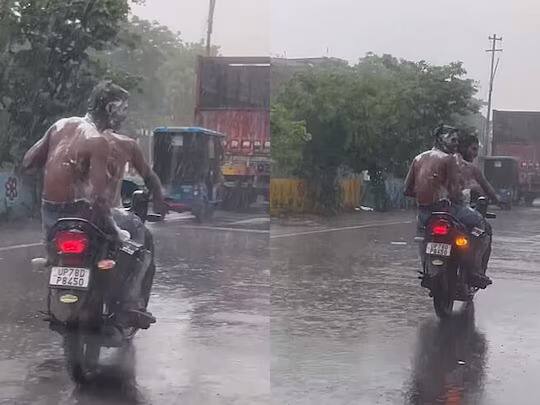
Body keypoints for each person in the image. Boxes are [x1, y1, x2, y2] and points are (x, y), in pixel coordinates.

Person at [22, 80, 168, 328]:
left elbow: (28, 162)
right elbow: (99, 199)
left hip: (51, 219)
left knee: (61, 252)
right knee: (137, 243)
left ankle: (54, 263)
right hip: (84, 214)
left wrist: (58, 171)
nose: (124, 115)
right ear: (111, 108)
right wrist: (116, 231)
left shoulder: (60, 125)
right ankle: (130, 304)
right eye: (123, 108)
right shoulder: (98, 141)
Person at [404, 124, 491, 289]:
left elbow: (407, 190)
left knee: (422, 237)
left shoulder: (417, 158)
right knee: (481, 226)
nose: (455, 145)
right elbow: (454, 192)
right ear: (440, 139)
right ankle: (474, 271)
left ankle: (427, 269)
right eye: (452, 140)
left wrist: (424, 194)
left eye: (457, 141)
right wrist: (462, 196)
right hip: (447, 211)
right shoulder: (448, 159)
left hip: (423, 214)